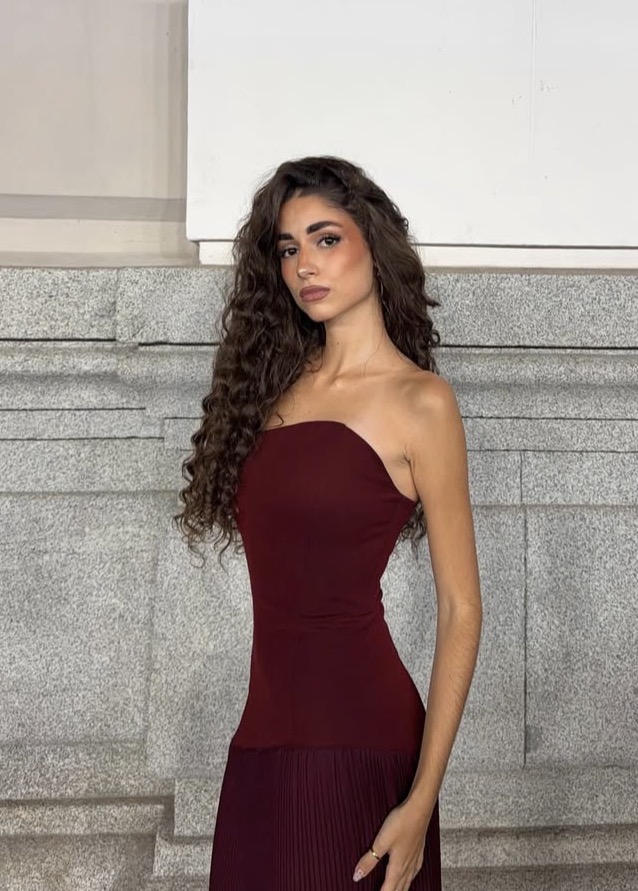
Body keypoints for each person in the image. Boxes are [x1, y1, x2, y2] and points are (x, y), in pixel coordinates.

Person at [174, 156, 483, 891]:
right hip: (259, 745)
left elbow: (461, 608)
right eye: (289, 248)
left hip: (362, 742)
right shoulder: (268, 392)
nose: (304, 265)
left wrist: (421, 800)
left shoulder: (421, 402)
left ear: (373, 242)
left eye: (326, 239)